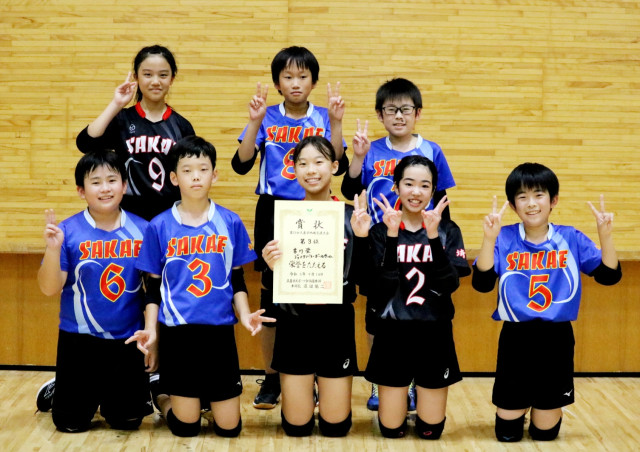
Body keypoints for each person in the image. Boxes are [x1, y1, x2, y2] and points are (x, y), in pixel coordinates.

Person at [127, 136, 274, 438]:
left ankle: (206, 400)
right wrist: (152, 331)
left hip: (218, 334)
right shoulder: (159, 225)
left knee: (229, 429)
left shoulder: (230, 221)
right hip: (178, 335)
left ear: (214, 175)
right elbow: (153, 287)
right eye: (187, 170)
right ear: (173, 178)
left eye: (203, 169)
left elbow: (237, 279)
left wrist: (245, 314)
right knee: (186, 428)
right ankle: (161, 395)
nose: (196, 176)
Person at [232, 46, 347, 410]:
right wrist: (254, 122)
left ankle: (313, 374)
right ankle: (272, 376)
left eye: (302, 76)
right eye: (288, 77)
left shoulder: (324, 115)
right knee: (273, 297)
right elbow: (241, 163)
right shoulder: (266, 115)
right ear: (278, 83)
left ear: (313, 81)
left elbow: (340, 163)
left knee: (318, 293)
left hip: (319, 210)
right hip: (274, 210)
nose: (295, 83)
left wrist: (337, 123)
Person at [472, 163, 622, 442]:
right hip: (516, 337)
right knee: (507, 434)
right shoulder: (504, 237)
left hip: (556, 338)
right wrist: (488, 239)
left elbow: (609, 276)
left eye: (538, 194)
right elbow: (481, 284)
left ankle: (546, 409)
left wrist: (606, 236)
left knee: (544, 435)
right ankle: (519, 408)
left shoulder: (570, 237)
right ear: (513, 205)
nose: (531, 203)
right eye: (522, 196)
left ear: (553, 200)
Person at [342, 78, 457, 410]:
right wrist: (358, 157)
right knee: (378, 315)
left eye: (405, 109)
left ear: (417, 113)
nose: (398, 116)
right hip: (381, 243)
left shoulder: (432, 150)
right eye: (390, 109)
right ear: (380, 115)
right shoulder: (370, 148)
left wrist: (438, 239)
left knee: (419, 313)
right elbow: (349, 189)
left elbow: (442, 202)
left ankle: (417, 382)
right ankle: (381, 383)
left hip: (419, 242)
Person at [35, 150, 154, 432]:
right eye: (96, 182)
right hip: (79, 341)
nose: (105, 188)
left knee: (127, 422)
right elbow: (49, 288)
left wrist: (152, 337)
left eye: (112, 180)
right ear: (81, 191)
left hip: (127, 341)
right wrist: (53, 250)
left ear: (124, 186)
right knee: (69, 425)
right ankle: (62, 388)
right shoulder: (68, 231)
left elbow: (153, 290)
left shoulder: (143, 230)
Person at [261, 136, 370, 436]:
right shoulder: (284, 216)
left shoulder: (350, 216)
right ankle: (302, 393)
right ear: (294, 170)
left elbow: (364, 278)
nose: (311, 170)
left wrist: (362, 239)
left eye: (319, 162)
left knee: (336, 427)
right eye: (303, 163)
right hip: (294, 322)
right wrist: (270, 264)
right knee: (297, 427)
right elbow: (273, 282)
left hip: (335, 323)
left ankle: (325, 394)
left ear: (334, 166)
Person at [364, 155, 470, 440]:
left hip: (434, 332)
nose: (416, 192)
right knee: (391, 430)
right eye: (409, 183)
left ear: (433, 190)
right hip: (392, 332)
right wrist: (391, 236)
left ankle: (421, 402)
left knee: (430, 431)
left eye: (425, 185)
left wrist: (433, 236)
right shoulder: (379, 232)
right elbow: (379, 288)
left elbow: (449, 284)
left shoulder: (448, 230)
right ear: (396, 187)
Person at [76, 45, 195, 221]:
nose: (155, 81)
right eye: (148, 74)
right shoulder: (122, 119)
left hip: (170, 216)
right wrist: (116, 104)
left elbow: (191, 173)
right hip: (128, 216)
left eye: (163, 75)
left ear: (172, 79)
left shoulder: (182, 126)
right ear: (136, 77)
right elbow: (85, 143)